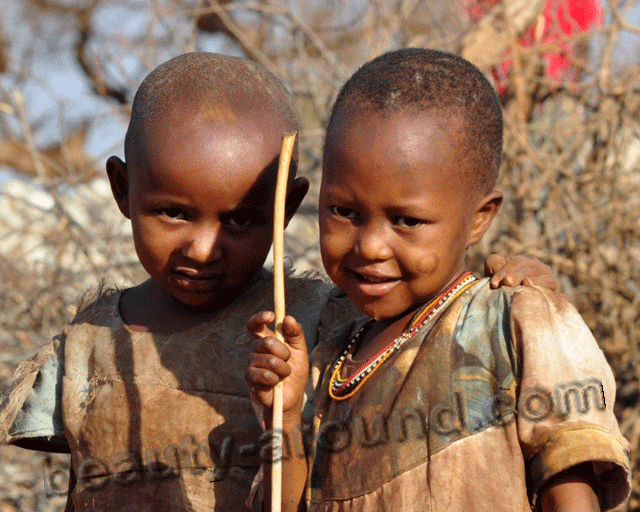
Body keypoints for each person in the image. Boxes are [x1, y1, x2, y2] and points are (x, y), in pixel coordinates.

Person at [0, 52, 555, 512]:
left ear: (285, 210)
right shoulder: (90, 341)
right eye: (172, 212)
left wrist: (512, 282)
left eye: (241, 220)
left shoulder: (317, 322)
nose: (202, 248)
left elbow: (429, 314)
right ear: (123, 190)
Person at [246, 48, 630, 512]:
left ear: (478, 219)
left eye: (406, 220)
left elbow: (570, 476)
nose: (369, 245)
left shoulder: (512, 321)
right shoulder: (328, 361)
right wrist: (284, 420)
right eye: (344, 212)